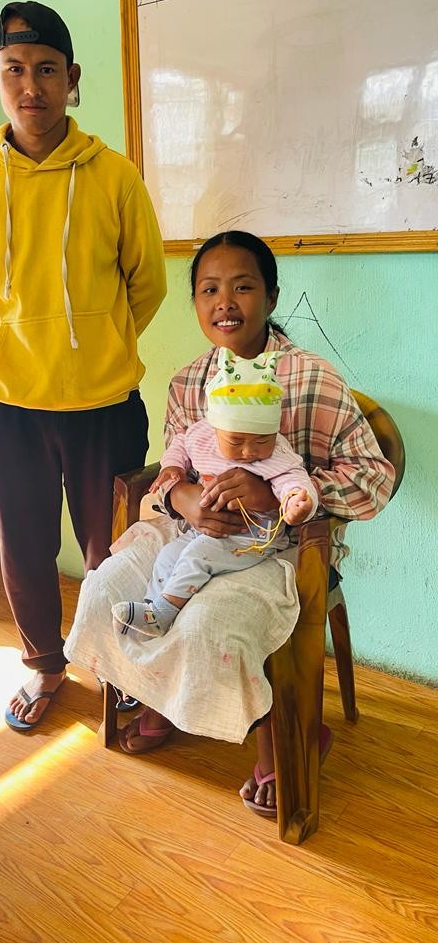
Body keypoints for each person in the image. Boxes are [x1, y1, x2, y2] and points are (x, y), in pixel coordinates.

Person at [64, 229, 395, 818]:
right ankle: (162, 697)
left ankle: (284, 742)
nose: (225, 302)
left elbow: (373, 476)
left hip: (277, 543)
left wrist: (278, 496)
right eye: (209, 289)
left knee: (211, 621)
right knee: (106, 588)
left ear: (270, 296)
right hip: (190, 530)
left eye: (243, 287)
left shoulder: (312, 380)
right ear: (193, 303)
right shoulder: (189, 383)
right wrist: (184, 499)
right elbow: (173, 466)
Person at [0, 0, 166, 730]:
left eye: (45, 70)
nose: (29, 85)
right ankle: (42, 667)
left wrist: (93, 347)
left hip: (104, 403)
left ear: (71, 79)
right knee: (24, 547)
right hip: (9, 408)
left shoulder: (114, 176)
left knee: (114, 554)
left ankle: (118, 668)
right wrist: (13, 349)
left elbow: (147, 282)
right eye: (14, 70)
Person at [112, 347, 318, 637]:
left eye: (262, 440)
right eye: (236, 441)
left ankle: (165, 612)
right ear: (215, 427)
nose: (249, 451)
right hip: (203, 529)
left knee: (199, 555)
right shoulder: (201, 435)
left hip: (252, 536)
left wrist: (297, 500)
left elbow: (293, 478)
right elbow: (180, 446)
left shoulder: (276, 452)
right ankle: (151, 609)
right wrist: (173, 469)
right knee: (170, 555)